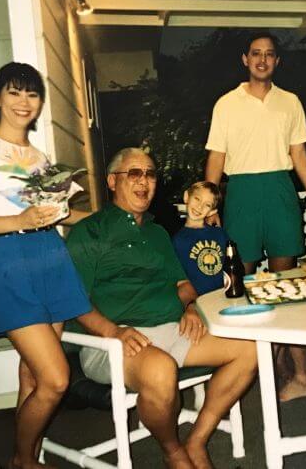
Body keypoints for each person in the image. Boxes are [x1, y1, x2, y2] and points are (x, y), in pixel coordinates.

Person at [0, 62, 92, 469]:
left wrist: (102, 218)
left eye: (32, 94)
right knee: (56, 378)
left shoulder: (40, 157)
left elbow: (56, 213)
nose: (24, 102)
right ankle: (22, 460)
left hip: (50, 259)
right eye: (14, 92)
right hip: (6, 263)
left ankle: (30, 455)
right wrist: (16, 221)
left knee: (32, 374)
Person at [67, 148, 258, 469]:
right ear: (113, 181)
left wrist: (191, 309)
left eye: (150, 174)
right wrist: (114, 331)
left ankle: (197, 440)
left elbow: (183, 286)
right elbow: (73, 301)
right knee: (160, 370)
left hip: (170, 330)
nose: (144, 181)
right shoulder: (90, 232)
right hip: (114, 341)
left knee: (250, 349)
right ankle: (174, 452)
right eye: (134, 173)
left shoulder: (157, 233)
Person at [204, 31, 306, 402]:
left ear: (277, 61)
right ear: (245, 59)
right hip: (240, 191)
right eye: (256, 54)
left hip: (280, 190)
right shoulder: (226, 103)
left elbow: (299, 154)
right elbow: (216, 158)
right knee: (238, 281)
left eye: (269, 54)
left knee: (284, 281)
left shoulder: (290, 102)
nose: (262, 60)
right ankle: (247, 366)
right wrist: (210, 203)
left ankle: (299, 374)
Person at [172, 181, 228, 295]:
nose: (200, 206)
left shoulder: (220, 234)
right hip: (197, 302)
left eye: (207, 205)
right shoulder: (177, 240)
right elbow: (178, 280)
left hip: (222, 297)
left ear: (212, 211)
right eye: (197, 199)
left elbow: (232, 266)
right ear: (187, 197)